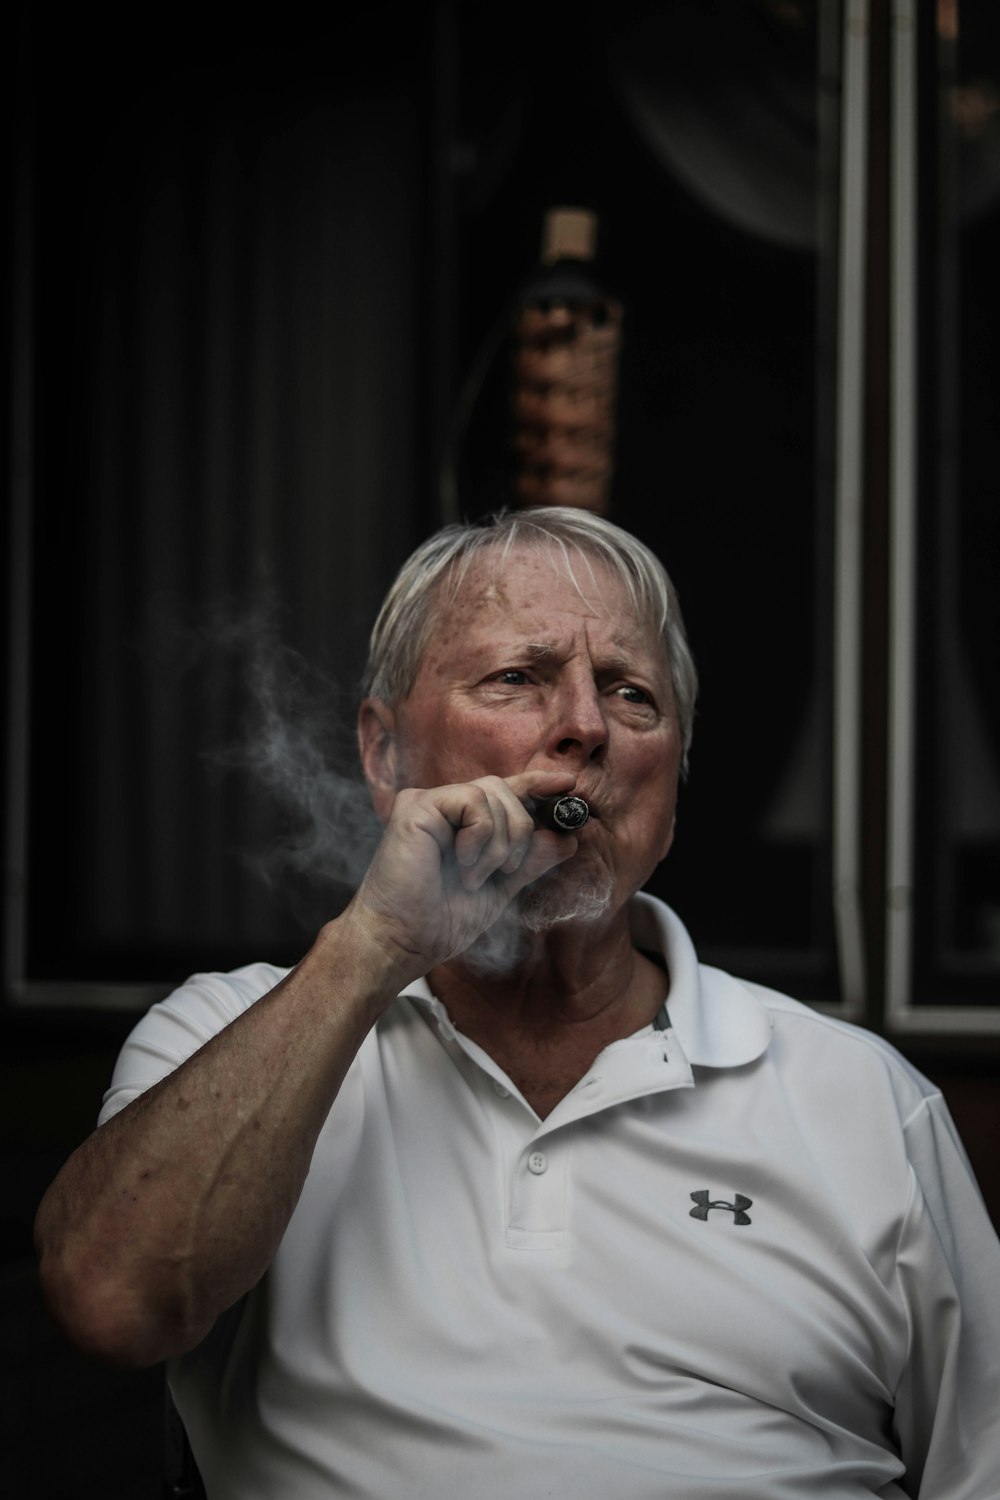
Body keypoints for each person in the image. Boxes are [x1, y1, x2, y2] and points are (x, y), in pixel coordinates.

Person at [35, 507, 1000, 1499]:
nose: (583, 726)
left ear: (669, 785)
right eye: (517, 679)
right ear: (382, 754)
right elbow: (114, 1306)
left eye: (630, 695)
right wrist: (375, 949)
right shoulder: (227, 1035)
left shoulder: (863, 1102)